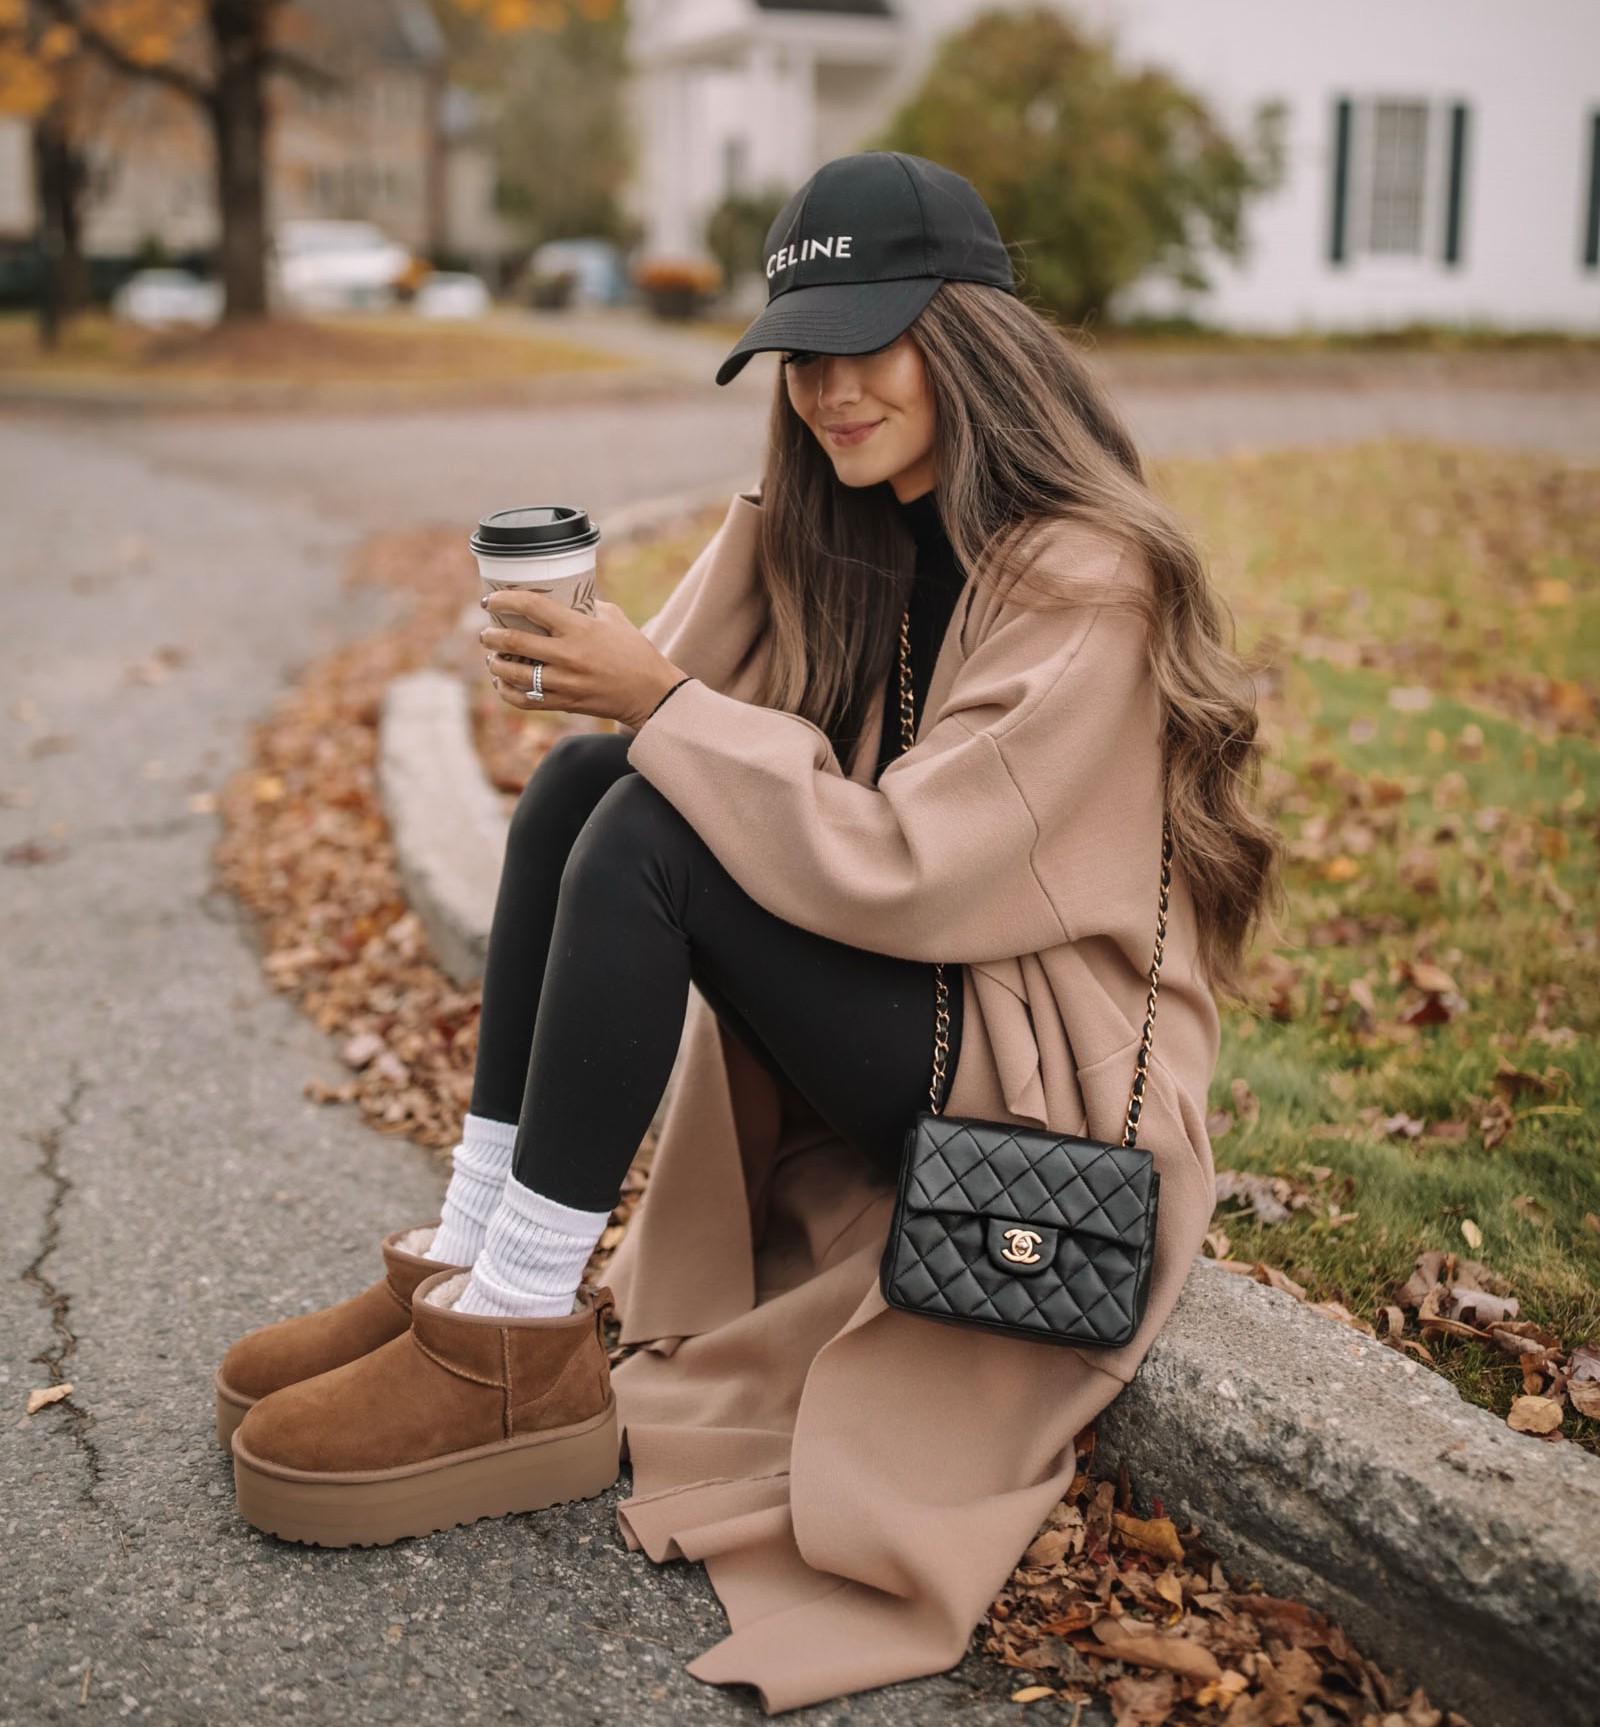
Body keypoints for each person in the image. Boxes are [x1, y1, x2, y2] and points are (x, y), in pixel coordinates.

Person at [216, 152, 1276, 1712]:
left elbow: (913, 864)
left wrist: (664, 706)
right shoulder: (832, 513)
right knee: (599, 776)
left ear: (971, 336)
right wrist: (607, 652)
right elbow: (656, 708)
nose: (831, 388)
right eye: (800, 352)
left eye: (870, 341)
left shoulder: (1084, 575)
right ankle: (473, 1252)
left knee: (653, 816)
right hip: (910, 1002)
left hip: (1026, 1068)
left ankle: (515, 1336)